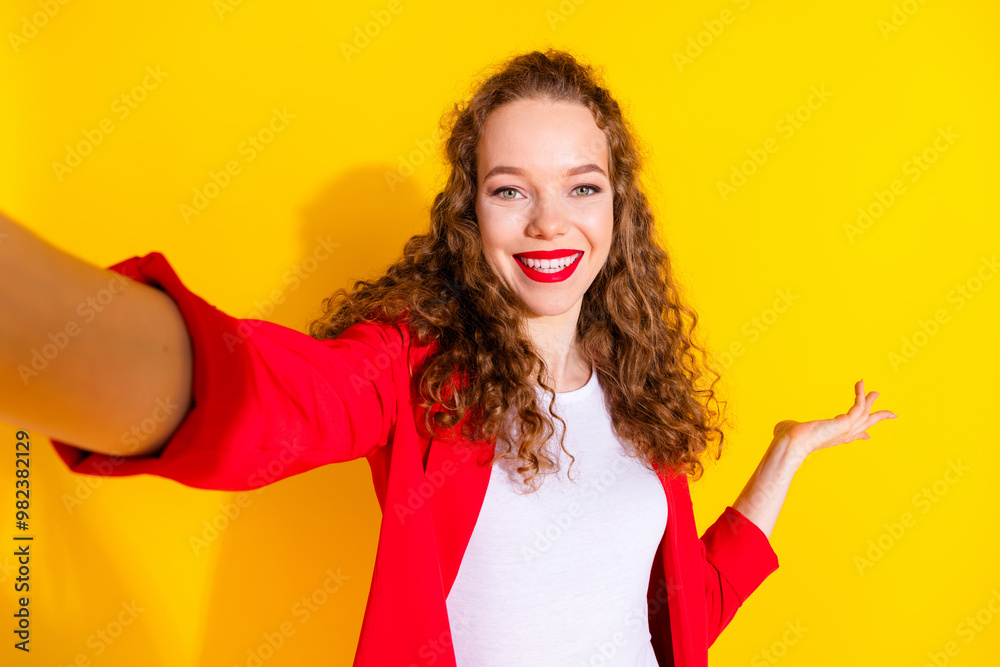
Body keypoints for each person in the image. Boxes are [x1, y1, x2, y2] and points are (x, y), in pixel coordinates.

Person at [0, 48, 896, 667]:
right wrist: (39, 328)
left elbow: (682, 608)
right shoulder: (415, 372)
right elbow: (270, 398)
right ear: (471, 214)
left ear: (618, 208)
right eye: (512, 191)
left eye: (581, 187)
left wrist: (784, 456)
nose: (550, 223)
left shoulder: (635, 395)